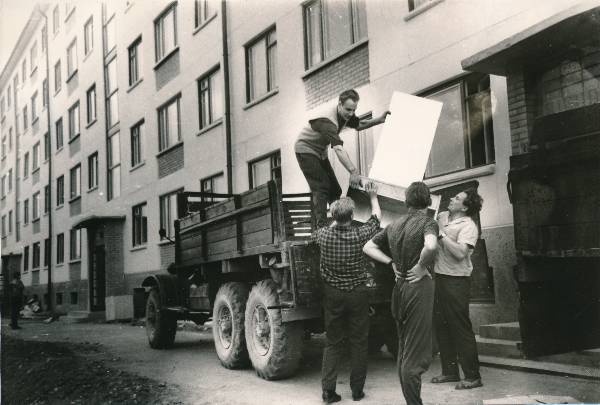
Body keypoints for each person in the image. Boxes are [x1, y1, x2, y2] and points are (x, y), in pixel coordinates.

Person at [363, 182, 438, 405]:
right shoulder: (428, 222)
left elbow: (368, 247)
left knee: (405, 349)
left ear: (406, 202)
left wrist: (391, 263)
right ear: (429, 202)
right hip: (418, 288)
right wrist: (423, 266)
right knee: (414, 356)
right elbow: (432, 246)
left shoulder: (394, 225)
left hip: (400, 288)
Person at [312, 182, 382, 403]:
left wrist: (335, 220)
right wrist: (372, 197)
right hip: (357, 293)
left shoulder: (323, 235)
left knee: (332, 342)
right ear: (352, 215)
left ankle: (328, 391)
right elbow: (376, 219)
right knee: (359, 341)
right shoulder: (360, 235)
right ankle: (357, 391)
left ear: (333, 216)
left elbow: (319, 233)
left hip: (333, 294)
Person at [295, 89, 390, 226]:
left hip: (320, 152)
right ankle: (321, 229)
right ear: (339, 104)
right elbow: (338, 148)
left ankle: (339, 223)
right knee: (321, 187)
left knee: (335, 190)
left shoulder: (345, 114)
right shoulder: (327, 121)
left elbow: (359, 125)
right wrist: (353, 171)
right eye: (348, 110)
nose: (351, 114)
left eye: (353, 110)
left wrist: (379, 120)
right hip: (305, 150)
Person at [430, 189, 484, 390]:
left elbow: (461, 253)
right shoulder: (444, 216)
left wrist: (441, 235)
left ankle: (473, 376)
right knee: (442, 326)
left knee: (460, 328)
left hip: (457, 281)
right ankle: (450, 372)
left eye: (457, 198)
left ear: (465, 207)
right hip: (440, 277)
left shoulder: (469, 226)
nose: (451, 199)